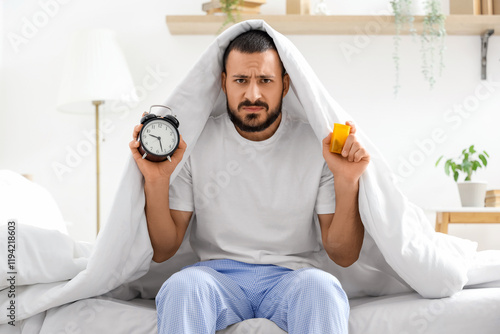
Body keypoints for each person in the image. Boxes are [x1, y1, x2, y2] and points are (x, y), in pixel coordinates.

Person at [129, 29, 370, 334]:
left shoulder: (316, 145)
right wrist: (156, 181)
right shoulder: (193, 143)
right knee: (182, 287)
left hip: (293, 277)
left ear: (284, 85)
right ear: (223, 83)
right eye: (241, 80)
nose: (253, 95)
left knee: (322, 289)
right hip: (216, 277)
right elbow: (164, 250)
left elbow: (344, 255)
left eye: (265, 81)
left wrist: (347, 181)